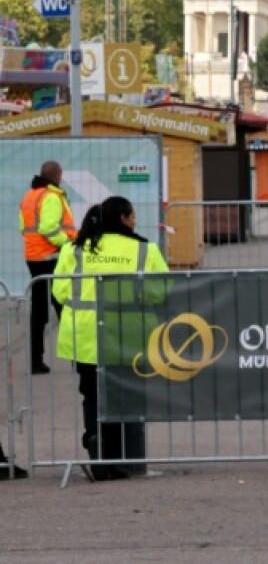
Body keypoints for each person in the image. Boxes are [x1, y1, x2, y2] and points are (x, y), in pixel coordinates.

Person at [52, 197, 168, 481]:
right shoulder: (144, 249)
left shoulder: (74, 248)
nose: (135, 220)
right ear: (123, 218)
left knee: (92, 394)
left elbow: (60, 291)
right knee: (127, 396)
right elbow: (159, 291)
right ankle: (125, 461)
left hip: (85, 335)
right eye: (133, 215)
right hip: (128, 334)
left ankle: (97, 442)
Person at [19, 160, 76, 374]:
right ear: (57, 175)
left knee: (39, 311)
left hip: (34, 258)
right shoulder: (51, 197)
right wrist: (69, 243)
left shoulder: (29, 196)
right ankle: (75, 357)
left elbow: (23, 227)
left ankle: (36, 361)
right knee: (64, 306)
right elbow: (48, 228)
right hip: (51, 258)